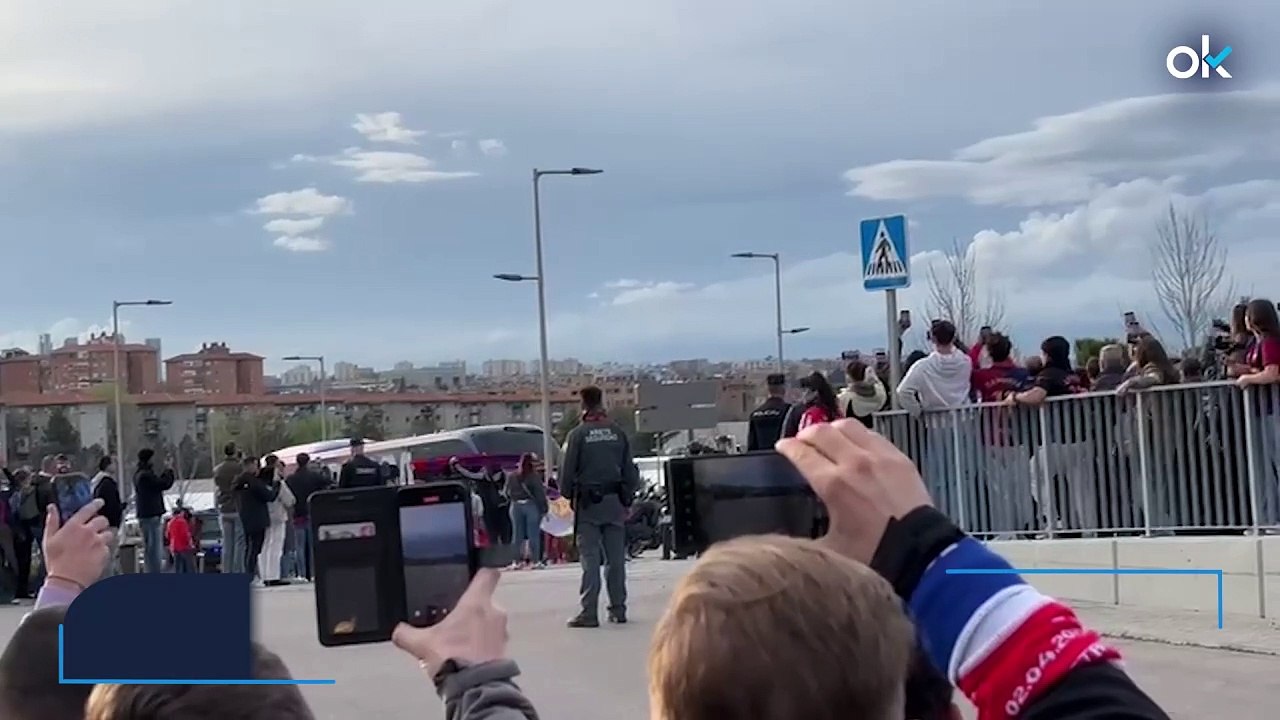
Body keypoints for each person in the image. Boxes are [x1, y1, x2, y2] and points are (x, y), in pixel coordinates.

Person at [559, 385, 640, 627]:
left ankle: (589, 612)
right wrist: (627, 498)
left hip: (588, 506)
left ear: (583, 405)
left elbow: (566, 472)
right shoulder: (617, 432)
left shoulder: (578, 435)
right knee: (616, 560)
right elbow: (630, 471)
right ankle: (618, 609)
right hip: (614, 504)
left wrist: (568, 495)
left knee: (590, 560)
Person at [895, 319, 973, 414]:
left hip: (935, 419)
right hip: (964, 417)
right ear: (953, 338)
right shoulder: (966, 362)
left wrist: (917, 412)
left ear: (933, 339)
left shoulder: (922, 367)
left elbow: (902, 392)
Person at [286, 452, 330, 581]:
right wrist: (323, 469)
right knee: (312, 545)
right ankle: (312, 573)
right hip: (312, 512)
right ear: (308, 462)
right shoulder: (314, 476)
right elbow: (327, 482)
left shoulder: (291, 479)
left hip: (297, 514)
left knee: (299, 546)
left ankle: (301, 573)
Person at [235, 456, 278, 582]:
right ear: (251, 466)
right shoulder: (253, 482)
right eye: (256, 465)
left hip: (245, 516)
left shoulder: (239, 481)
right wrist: (276, 484)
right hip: (257, 518)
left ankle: (248, 572)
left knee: (248, 547)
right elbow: (269, 496)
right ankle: (251, 574)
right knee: (256, 548)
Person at [133, 448, 176, 573]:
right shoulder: (146, 476)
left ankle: (150, 572)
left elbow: (158, 482)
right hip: (151, 515)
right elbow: (163, 484)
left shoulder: (139, 474)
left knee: (149, 548)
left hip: (144, 515)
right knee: (154, 549)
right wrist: (169, 469)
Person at [506, 453, 549, 569]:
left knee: (517, 535)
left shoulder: (512, 476)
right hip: (531, 506)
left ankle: (516, 562)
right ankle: (535, 561)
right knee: (533, 534)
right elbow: (540, 494)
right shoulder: (534, 476)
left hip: (515, 506)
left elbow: (507, 493)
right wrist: (544, 509)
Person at [260, 459, 294, 586]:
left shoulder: (259, 484)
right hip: (278, 517)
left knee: (264, 547)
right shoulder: (279, 484)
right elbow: (290, 500)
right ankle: (273, 576)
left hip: (263, 517)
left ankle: (264, 575)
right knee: (276, 546)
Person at [213, 442, 245, 574]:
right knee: (239, 543)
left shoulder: (218, 469)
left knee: (227, 543)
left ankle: (227, 570)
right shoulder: (239, 468)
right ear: (235, 452)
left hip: (224, 508)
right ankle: (238, 571)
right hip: (237, 506)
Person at [89, 456, 123, 579]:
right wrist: (118, 510)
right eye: (113, 463)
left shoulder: (96, 482)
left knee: (110, 557)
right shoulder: (107, 483)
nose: (116, 466)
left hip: (102, 523)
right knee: (109, 556)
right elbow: (110, 504)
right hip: (109, 524)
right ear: (108, 465)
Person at [746, 373, 792, 450]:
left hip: (762, 456)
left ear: (768, 389)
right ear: (783, 389)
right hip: (782, 455)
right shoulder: (790, 411)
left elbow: (751, 446)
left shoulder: (755, 414)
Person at [837, 360, 887, 428]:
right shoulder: (879, 394)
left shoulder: (845, 398)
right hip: (877, 432)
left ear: (849, 377)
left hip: (853, 432)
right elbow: (878, 383)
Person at [166, 507, 196, 574]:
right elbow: (185, 534)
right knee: (189, 567)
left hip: (174, 547)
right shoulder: (182, 521)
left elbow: (167, 535)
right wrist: (191, 545)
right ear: (181, 513)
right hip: (184, 547)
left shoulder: (170, 523)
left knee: (178, 567)